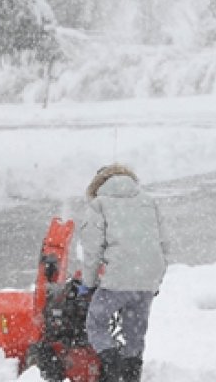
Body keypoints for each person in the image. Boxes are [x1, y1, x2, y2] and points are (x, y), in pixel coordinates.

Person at [76, 164, 170, 382]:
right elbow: (165, 244)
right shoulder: (149, 202)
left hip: (116, 278)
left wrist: (88, 284)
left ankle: (112, 368)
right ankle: (131, 374)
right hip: (147, 277)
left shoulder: (99, 205)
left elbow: (92, 250)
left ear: (97, 185)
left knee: (96, 323)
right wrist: (156, 279)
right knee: (134, 331)